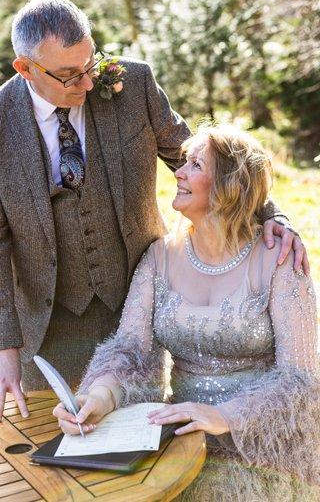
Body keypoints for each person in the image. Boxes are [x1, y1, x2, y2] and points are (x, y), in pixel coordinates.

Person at [0, 0, 306, 423]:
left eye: (90, 65)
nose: (88, 84)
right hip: (44, 321)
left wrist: (270, 213)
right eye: (69, 75)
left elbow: (208, 162)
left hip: (133, 305)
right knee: (55, 442)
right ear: (25, 68)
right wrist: (2, 346)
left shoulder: (134, 83)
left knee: (131, 444)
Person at [55, 125, 319, 501]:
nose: (177, 173)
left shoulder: (281, 261)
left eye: (194, 165)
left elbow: (300, 380)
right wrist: (98, 398)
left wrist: (225, 416)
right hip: (177, 440)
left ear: (231, 185)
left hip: (260, 452)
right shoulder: (159, 256)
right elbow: (130, 352)